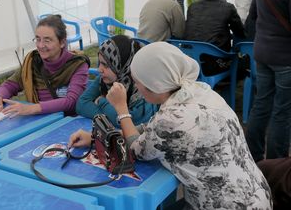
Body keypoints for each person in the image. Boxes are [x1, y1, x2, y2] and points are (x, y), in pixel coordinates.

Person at [69, 42, 272, 209]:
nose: (136, 86)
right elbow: (149, 129)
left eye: (138, 82)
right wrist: (96, 137)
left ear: (154, 84)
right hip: (254, 193)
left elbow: (135, 148)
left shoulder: (171, 118)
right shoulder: (200, 91)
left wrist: (121, 108)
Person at [0, 14, 89, 116]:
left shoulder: (77, 65)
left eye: (47, 40)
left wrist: (32, 108)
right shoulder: (32, 62)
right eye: (38, 39)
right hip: (38, 122)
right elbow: (9, 85)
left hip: (66, 124)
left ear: (62, 42)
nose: (40, 45)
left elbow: (71, 101)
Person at [246, 0, 291, 163]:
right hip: (284, 57)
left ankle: (253, 158)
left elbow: (253, 17)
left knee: (261, 104)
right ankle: (276, 164)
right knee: (282, 112)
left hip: (262, 52)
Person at [76, 35, 155, 127]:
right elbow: (81, 104)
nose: (99, 69)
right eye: (100, 63)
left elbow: (130, 122)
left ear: (123, 66)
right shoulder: (104, 78)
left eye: (105, 65)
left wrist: (102, 101)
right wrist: (113, 116)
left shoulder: (142, 87)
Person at [184, 0, 245, 76]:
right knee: (244, 62)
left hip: (191, 61)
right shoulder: (228, 8)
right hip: (215, 64)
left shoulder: (192, 7)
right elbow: (240, 32)